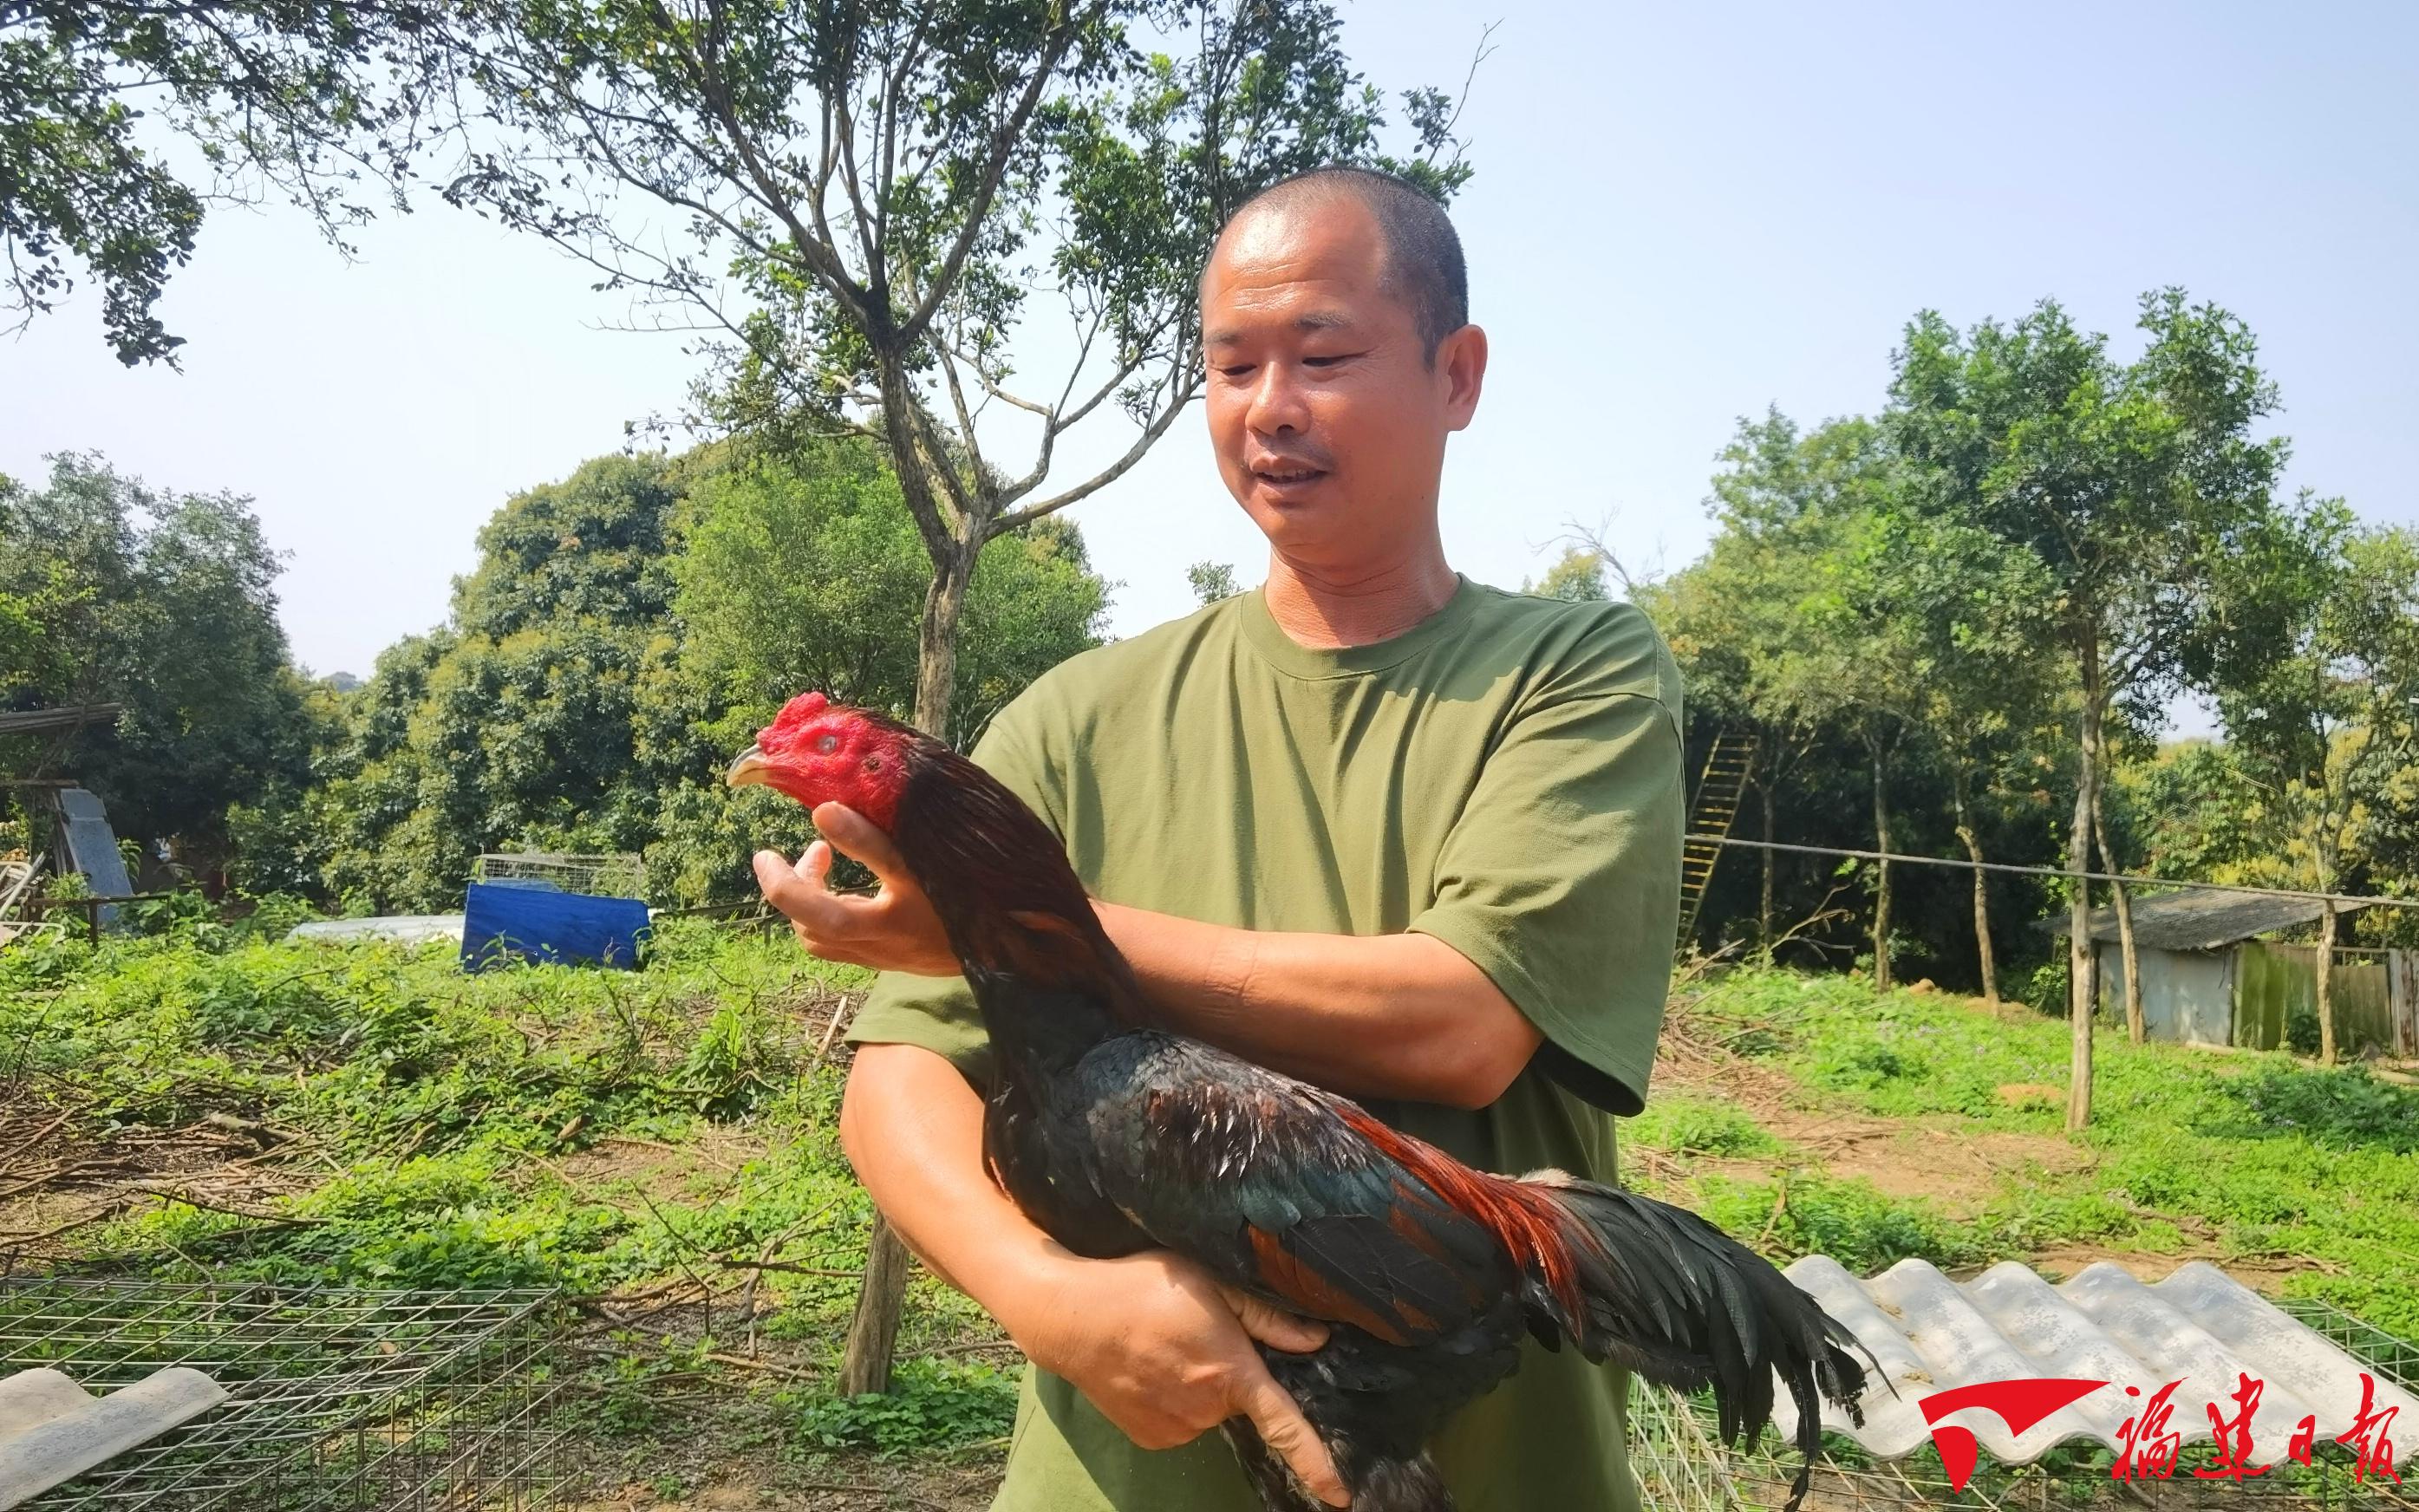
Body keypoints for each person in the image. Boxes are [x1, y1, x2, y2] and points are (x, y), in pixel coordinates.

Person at [752, 164, 1684, 1512]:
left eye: (1324, 355)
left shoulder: (1571, 668)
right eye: (1229, 365)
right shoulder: (1075, 713)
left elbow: (1463, 1023)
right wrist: (1047, 1298)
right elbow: (901, 1073)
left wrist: (1006, 926)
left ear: (1456, 376)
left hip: (1488, 1464)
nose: (1268, 409)